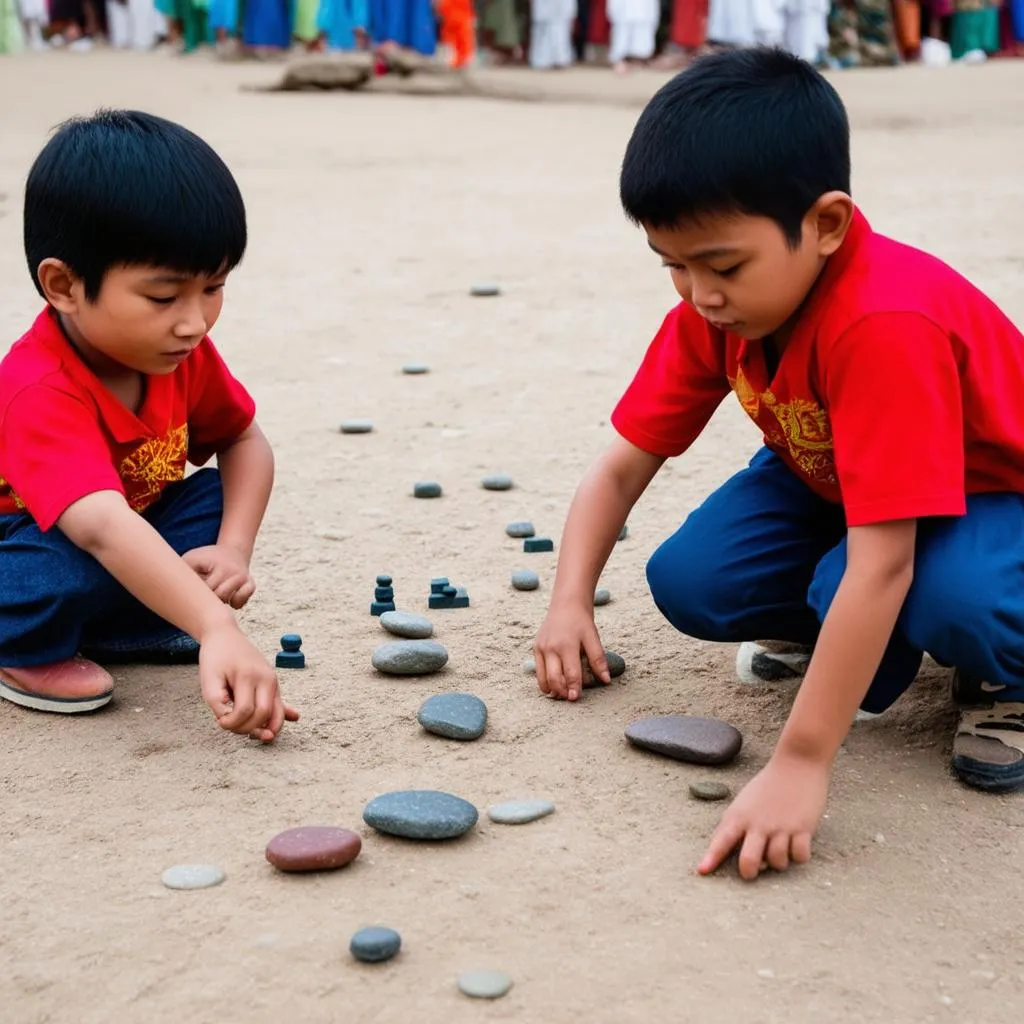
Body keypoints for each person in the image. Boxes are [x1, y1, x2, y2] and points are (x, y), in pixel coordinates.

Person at [533, 47, 1024, 881]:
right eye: (674, 267)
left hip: (993, 494)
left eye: (723, 266)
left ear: (826, 225)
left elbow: (882, 563)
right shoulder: (715, 309)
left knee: (916, 592)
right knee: (693, 578)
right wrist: (568, 598)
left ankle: (1002, 671)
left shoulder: (883, 321)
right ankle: (864, 646)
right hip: (841, 483)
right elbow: (621, 465)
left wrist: (801, 759)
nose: (699, 294)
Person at [0, 110, 299, 745]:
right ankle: (22, 647)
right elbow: (102, 528)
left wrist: (233, 550)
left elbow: (244, 441)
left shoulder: (176, 353)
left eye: (213, 287)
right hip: (33, 541)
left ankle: (120, 621)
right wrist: (217, 627)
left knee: (214, 501)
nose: (194, 322)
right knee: (68, 568)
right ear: (64, 285)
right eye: (163, 298)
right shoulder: (36, 386)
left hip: (122, 529)